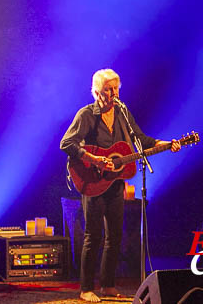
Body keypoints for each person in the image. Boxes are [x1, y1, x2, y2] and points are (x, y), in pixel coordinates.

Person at [60, 68, 181, 302]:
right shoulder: (86, 115)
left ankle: (107, 285)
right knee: (92, 236)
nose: (114, 93)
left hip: (115, 183)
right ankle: (86, 288)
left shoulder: (122, 112)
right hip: (92, 181)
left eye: (116, 88)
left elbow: (140, 139)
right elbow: (66, 143)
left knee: (114, 236)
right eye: (108, 90)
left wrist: (166, 143)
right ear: (96, 92)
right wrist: (93, 159)